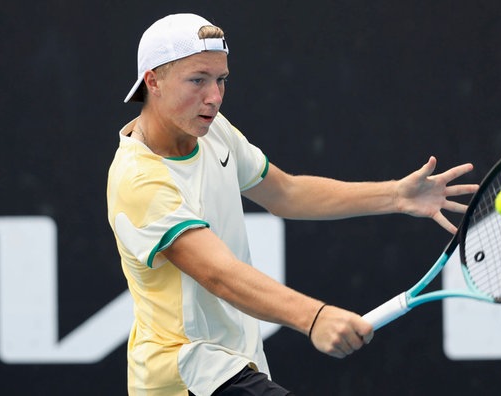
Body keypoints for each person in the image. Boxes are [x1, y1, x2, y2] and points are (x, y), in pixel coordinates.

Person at [107, 13, 478, 396]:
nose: (214, 97)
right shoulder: (140, 179)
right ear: (153, 81)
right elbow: (219, 273)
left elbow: (285, 193)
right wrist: (313, 317)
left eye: (221, 80)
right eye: (198, 80)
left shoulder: (212, 130)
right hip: (186, 374)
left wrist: (396, 195)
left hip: (234, 367)